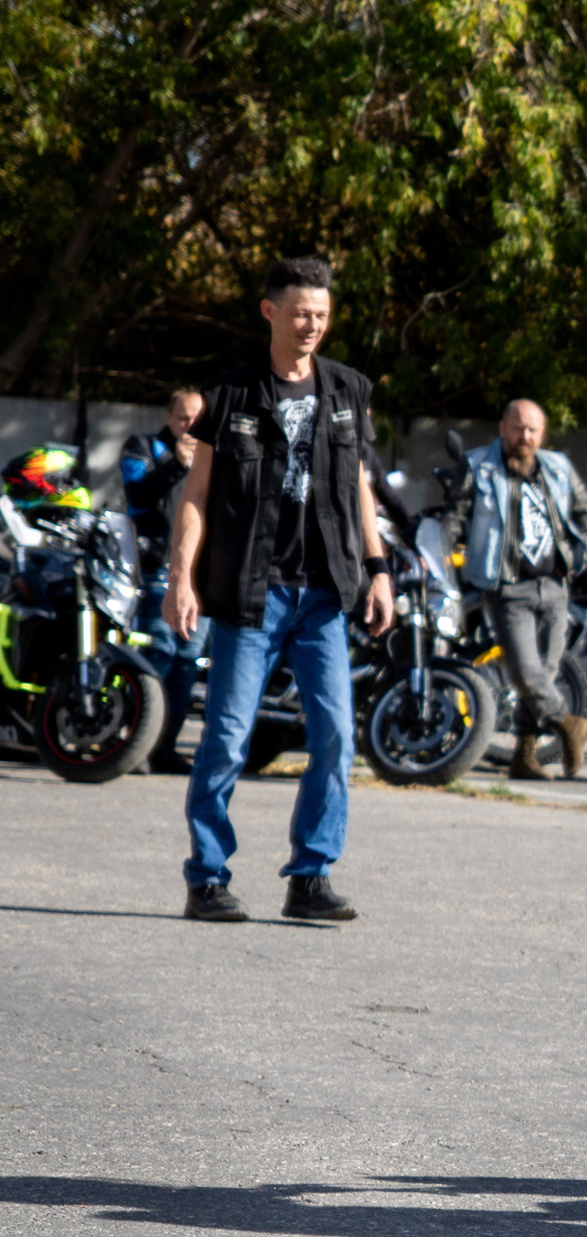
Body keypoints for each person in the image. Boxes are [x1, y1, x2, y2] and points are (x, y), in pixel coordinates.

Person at [161, 256, 395, 924]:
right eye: (300, 312)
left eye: (320, 314)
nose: (311, 324)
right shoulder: (230, 395)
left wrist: (378, 571)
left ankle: (310, 877)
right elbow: (196, 494)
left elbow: (357, 490)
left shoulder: (348, 390)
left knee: (334, 739)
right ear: (270, 312)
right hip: (248, 595)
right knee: (227, 739)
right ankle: (207, 877)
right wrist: (182, 579)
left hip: (323, 596)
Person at [458, 399, 587, 780]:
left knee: (545, 675)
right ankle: (570, 723)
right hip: (507, 587)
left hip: (554, 585)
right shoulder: (478, 467)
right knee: (525, 672)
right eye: (519, 428)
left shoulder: (557, 467)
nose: (526, 437)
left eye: (534, 430)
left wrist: (580, 556)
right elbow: (454, 517)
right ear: (502, 427)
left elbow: (586, 512)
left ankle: (525, 755)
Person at [122, 387, 206, 772]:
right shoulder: (142, 447)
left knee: (188, 660)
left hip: (200, 573)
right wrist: (177, 462)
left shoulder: (211, 454)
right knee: (159, 653)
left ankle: (165, 748)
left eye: (197, 418)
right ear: (170, 417)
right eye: (184, 417)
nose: (191, 426)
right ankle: (136, 744)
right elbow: (137, 490)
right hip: (157, 567)